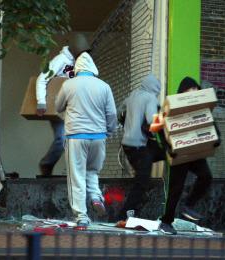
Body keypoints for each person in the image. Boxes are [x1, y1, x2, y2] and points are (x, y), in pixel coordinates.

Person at [55, 52, 117, 230]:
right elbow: (111, 114)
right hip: (98, 137)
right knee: (92, 171)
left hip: (76, 137)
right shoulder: (104, 86)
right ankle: (96, 197)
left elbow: (58, 107)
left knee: (76, 177)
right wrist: (109, 131)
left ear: (77, 68)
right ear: (92, 68)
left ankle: (82, 217)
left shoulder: (69, 85)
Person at [158, 76, 221, 235]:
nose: (194, 92)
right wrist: (167, 147)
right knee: (175, 189)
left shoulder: (201, 107)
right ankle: (166, 222)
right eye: (190, 89)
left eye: (195, 89)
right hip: (179, 152)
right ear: (183, 91)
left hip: (196, 151)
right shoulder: (171, 105)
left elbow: (210, 123)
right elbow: (157, 126)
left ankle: (189, 205)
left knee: (206, 176)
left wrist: (216, 138)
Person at [36, 33, 91, 176]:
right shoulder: (60, 60)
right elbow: (42, 79)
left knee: (76, 140)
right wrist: (41, 102)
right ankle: (46, 164)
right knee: (61, 139)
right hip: (57, 106)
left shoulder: (81, 64)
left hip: (73, 107)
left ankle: (76, 171)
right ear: (76, 51)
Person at [115, 75, 166, 222]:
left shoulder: (132, 95)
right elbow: (151, 121)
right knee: (142, 183)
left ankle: (129, 214)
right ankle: (125, 216)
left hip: (128, 145)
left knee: (163, 151)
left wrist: (130, 123)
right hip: (138, 146)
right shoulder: (150, 97)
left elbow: (120, 112)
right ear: (155, 88)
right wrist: (163, 119)